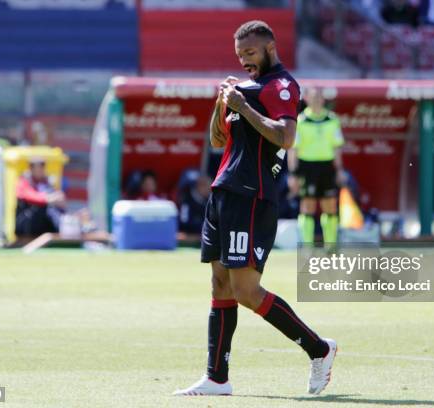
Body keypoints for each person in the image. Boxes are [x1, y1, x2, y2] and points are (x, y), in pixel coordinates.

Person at [173, 20, 337, 397]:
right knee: (219, 284)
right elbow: (218, 139)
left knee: (246, 290)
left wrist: (243, 106)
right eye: (239, 55)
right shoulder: (244, 89)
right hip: (224, 191)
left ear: (270, 48)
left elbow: (286, 137)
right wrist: (222, 103)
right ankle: (217, 378)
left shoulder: (280, 86)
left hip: (252, 194)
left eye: (250, 53)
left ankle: (319, 349)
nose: (245, 61)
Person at [289, 87, 344, 244]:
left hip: (327, 166)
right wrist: (293, 174)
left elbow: (337, 147)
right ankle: (307, 246)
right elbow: (293, 150)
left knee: (330, 206)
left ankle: (331, 246)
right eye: (313, 97)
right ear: (306, 99)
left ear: (323, 99)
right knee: (307, 207)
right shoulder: (300, 121)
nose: (316, 100)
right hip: (307, 167)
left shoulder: (332, 120)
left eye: (319, 97)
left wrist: (340, 170)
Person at [15, 157, 66, 237]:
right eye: (38, 169)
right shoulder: (23, 181)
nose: (41, 171)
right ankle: (63, 229)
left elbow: (58, 197)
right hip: (26, 222)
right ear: (31, 169)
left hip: (42, 222)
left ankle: (65, 228)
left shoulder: (45, 182)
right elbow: (30, 197)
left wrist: (58, 199)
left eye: (42, 168)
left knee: (54, 210)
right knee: (48, 209)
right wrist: (49, 199)